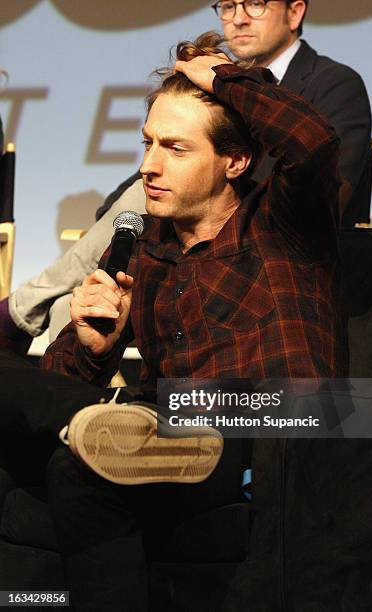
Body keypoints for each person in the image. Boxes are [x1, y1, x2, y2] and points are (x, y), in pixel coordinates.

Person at [0, 32, 347, 610]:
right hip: (160, 437)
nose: (148, 167)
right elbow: (57, 382)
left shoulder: (282, 222)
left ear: (235, 161)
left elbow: (311, 142)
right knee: (69, 457)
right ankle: (112, 430)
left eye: (175, 149)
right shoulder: (144, 250)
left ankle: (122, 427)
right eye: (147, 143)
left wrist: (222, 77)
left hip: (262, 428)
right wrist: (92, 347)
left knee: (142, 423)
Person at [0, 0, 372, 355]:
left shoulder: (334, 83)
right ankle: (79, 410)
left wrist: (230, 82)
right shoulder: (204, 90)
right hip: (185, 242)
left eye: (256, 4)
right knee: (71, 306)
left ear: (295, 13)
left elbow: (322, 171)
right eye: (227, 6)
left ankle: (17, 313)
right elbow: (150, 173)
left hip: (272, 246)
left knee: (132, 214)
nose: (238, 18)